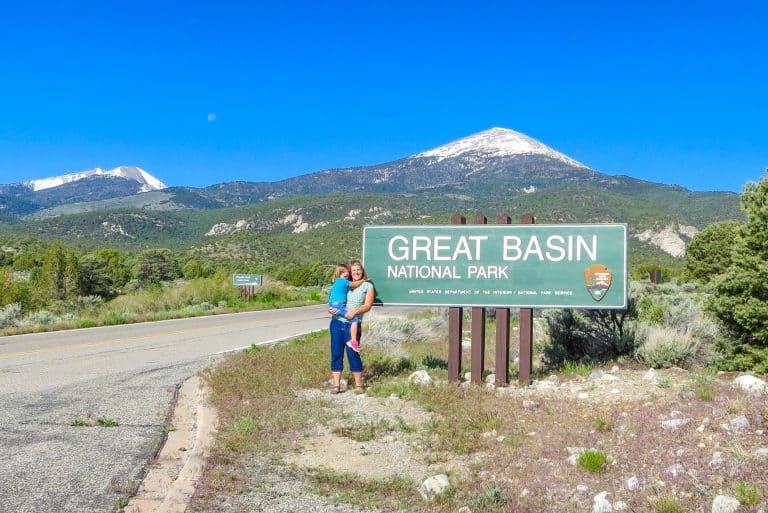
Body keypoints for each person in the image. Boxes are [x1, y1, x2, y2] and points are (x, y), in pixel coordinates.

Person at [328, 259, 375, 394]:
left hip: (353, 324)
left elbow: (367, 306)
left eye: (358, 269)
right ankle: (336, 385)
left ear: (362, 271)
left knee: (352, 353)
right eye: (353, 270)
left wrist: (354, 312)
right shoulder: (345, 284)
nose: (356, 272)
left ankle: (359, 385)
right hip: (337, 322)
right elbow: (333, 299)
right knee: (336, 353)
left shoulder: (368, 286)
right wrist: (330, 309)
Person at [326, 264, 361, 351]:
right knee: (355, 319)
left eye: (348, 272)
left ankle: (353, 341)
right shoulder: (342, 281)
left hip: (334, 304)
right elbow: (354, 284)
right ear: (339, 273)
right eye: (344, 272)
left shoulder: (337, 282)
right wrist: (363, 280)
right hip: (338, 305)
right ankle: (353, 342)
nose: (347, 273)